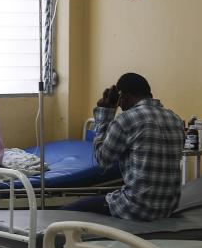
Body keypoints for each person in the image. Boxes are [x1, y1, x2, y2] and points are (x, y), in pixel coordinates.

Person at [69, 73, 185, 221]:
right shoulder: (175, 119)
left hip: (136, 208)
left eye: (120, 101)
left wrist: (105, 115)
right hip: (167, 208)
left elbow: (103, 160)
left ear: (123, 97)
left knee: (69, 210)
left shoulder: (126, 119)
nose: (120, 106)